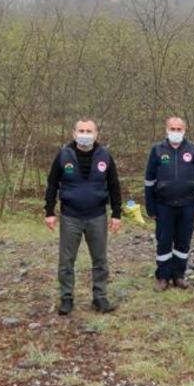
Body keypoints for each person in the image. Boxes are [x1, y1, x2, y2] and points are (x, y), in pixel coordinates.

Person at [45, 119, 122, 315]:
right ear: (74, 133)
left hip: (97, 216)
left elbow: (114, 185)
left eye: (89, 131)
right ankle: (66, 298)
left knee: (100, 259)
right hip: (70, 216)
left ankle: (100, 297)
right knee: (66, 260)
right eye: (81, 130)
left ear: (96, 134)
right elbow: (52, 184)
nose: (85, 134)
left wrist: (116, 213)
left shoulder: (105, 156)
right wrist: (49, 211)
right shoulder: (63, 155)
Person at [143, 116, 194, 290]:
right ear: (166, 130)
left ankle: (178, 275)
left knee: (183, 241)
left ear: (185, 130)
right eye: (172, 128)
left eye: (179, 129)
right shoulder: (157, 150)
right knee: (164, 241)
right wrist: (150, 206)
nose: (176, 132)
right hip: (163, 205)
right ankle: (163, 277)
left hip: (188, 205)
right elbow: (149, 180)